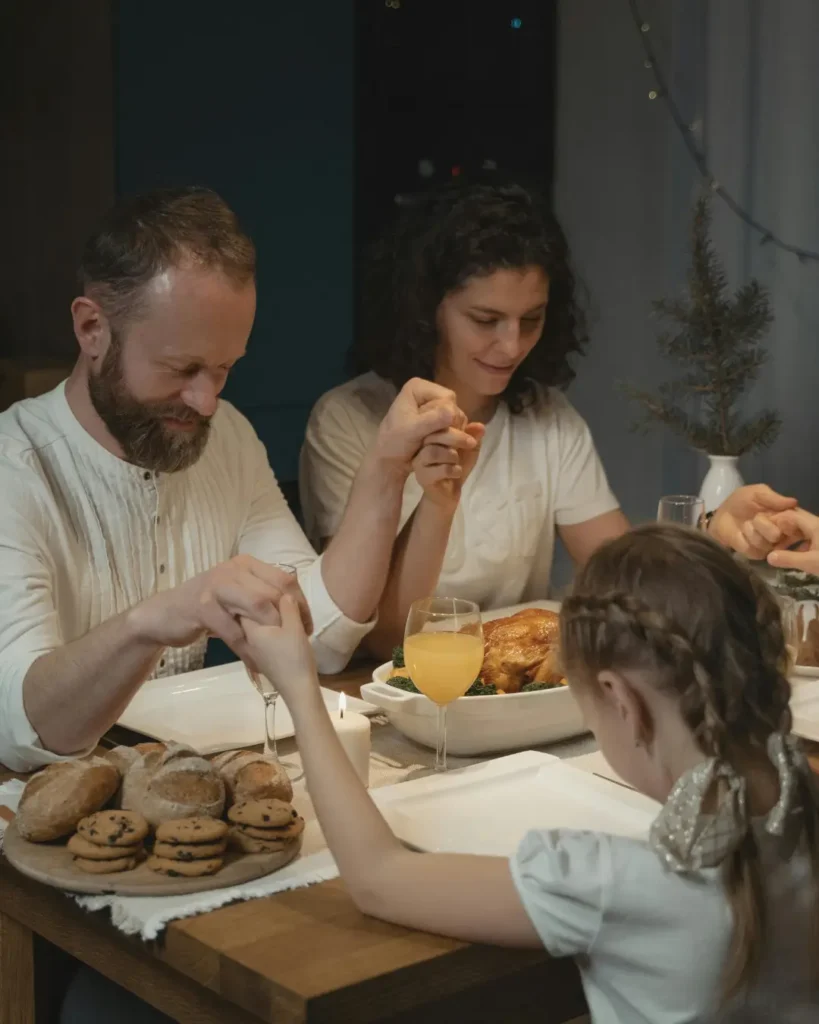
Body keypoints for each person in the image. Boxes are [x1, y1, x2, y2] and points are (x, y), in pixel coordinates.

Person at [241, 523, 819, 1023]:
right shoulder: (801, 794)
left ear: (622, 702)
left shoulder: (611, 882)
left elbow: (377, 880)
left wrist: (300, 688)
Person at [0, 186, 475, 773]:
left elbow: (319, 637)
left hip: (175, 788)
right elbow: (23, 729)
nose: (206, 401)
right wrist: (153, 620)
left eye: (224, 369)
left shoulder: (227, 436)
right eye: (182, 368)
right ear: (92, 327)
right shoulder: (15, 468)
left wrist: (386, 468)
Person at [300, 181, 630, 657]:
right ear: (426, 309)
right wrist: (437, 504)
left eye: (531, 319)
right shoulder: (347, 419)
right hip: (388, 684)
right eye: (485, 320)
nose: (511, 346)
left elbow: (623, 576)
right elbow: (385, 641)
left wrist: (710, 532)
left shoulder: (550, 416)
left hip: (514, 678)